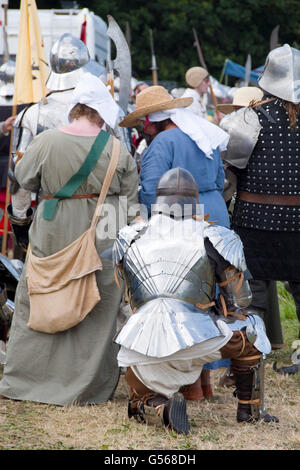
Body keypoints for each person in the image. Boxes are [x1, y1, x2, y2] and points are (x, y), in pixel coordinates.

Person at [0, 73, 139, 406]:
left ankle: (28, 381)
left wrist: (20, 222)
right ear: (99, 112)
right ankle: (85, 386)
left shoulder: (47, 141)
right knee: (97, 303)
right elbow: (132, 205)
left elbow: (22, 182)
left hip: (52, 228)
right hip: (102, 233)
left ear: (76, 109)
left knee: (43, 295)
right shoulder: (118, 150)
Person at [113, 168, 278, 434]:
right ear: (194, 201)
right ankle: (250, 409)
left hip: (141, 342)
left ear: (158, 200)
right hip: (197, 339)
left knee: (139, 397)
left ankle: (158, 408)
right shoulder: (214, 237)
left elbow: (128, 300)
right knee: (253, 328)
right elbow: (240, 302)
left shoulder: (129, 236)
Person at [119, 85, 231, 398]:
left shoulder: (163, 142)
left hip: (181, 221)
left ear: (153, 119)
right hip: (215, 217)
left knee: (183, 301)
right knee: (213, 298)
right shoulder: (202, 134)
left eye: (144, 120)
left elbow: (152, 191)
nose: (143, 127)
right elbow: (221, 182)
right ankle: (205, 384)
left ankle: (191, 386)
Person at [7, 33, 129, 251]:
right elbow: (128, 169)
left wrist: (20, 224)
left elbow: (20, 181)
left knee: (47, 279)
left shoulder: (32, 114)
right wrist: (124, 223)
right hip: (104, 219)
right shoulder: (110, 111)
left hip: (53, 216)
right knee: (104, 280)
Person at [221, 44, 300, 340]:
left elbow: (227, 180)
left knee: (252, 300)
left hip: (255, 224)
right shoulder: (246, 119)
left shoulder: (245, 119)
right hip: (297, 225)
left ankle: (250, 363)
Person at [218, 87, 284, 350]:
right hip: (277, 219)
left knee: (254, 290)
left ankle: (253, 354)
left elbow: (227, 181)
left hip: (254, 219)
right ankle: (258, 349)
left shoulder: (245, 125)